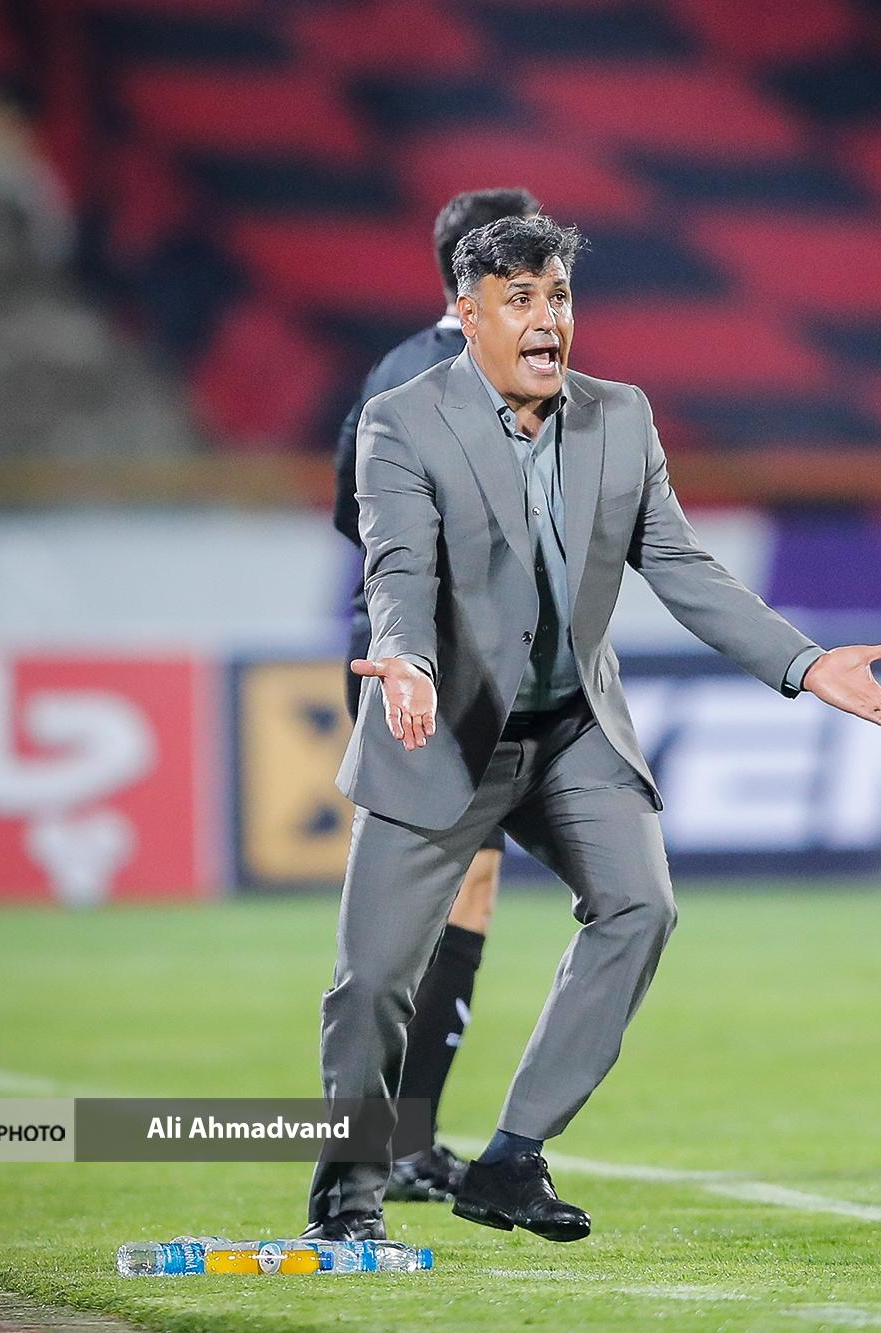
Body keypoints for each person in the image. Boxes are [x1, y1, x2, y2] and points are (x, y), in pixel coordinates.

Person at [305, 214, 881, 1244]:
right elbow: (398, 569)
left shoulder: (621, 417)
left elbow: (680, 565)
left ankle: (511, 1158)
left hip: (570, 733)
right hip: (442, 729)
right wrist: (406, 660)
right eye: (520, 300)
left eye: (558, 297)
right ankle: (348, 1192)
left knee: (641, 907)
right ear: (468, 316)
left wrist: (805, 660)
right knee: (371, 982)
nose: (547, 320)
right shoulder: (401, 423)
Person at [329, 186, 541, 1205]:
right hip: (429, 664)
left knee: (463, 886)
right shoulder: (450, 380)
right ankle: (380, 1151)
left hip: (437, 660)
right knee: (429, 901)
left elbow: (349, 506)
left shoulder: (397, 369)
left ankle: (402, 1141)